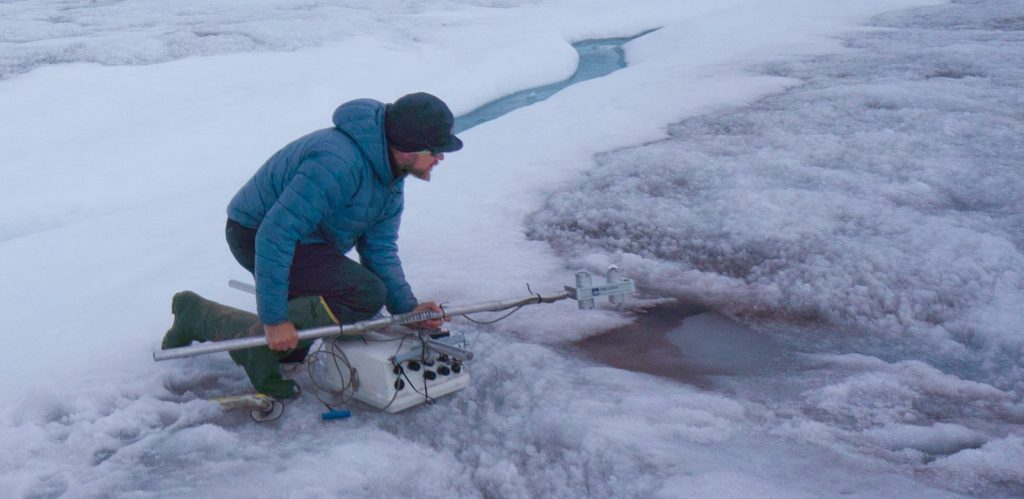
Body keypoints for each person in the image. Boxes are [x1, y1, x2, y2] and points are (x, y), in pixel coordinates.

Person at [161, 92, 463, 398]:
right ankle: (257, 347)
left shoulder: (390, 177)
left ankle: (194, 313)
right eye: (436, 149)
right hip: (254, 234)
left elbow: (379, 248)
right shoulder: (337, 163)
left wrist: (409, 311)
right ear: (407, 146)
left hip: (307, 242)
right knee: (363, 293)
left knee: (292, 350)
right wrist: (275, 320)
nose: (441, 157)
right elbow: (275, 235)